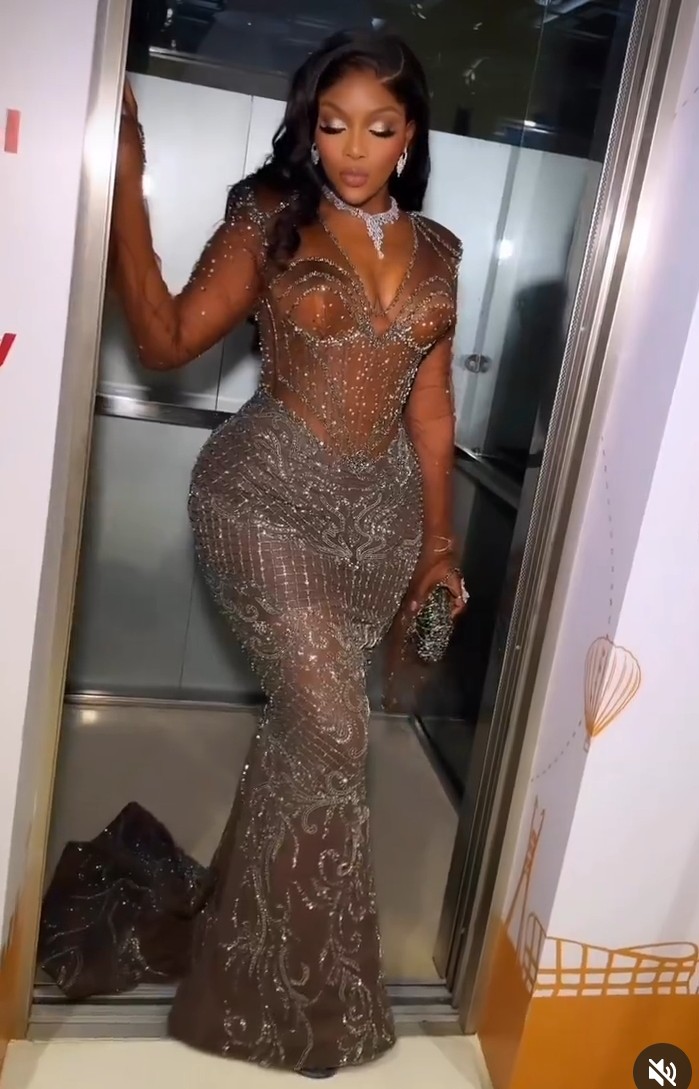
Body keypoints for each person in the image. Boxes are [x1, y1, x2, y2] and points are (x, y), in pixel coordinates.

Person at [38, 28, 468, 1080]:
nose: (353, 149)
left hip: (375, 527)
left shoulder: (440, 253)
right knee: (332, 729)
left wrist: (438, 541)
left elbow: (429, 410)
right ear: (308, 127)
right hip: (261, 500)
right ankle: (288, 999)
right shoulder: (270, 216)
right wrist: (125, 183)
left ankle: (245, 941)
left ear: (411, 134)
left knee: (304, 740)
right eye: (333, 124)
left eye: (378, 128)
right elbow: (165, 338)